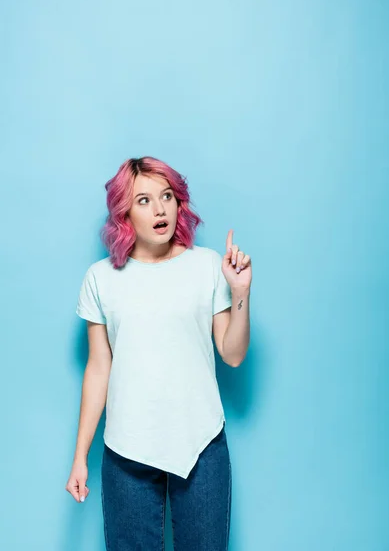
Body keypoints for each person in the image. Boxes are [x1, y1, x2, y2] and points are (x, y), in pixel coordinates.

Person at [65, 156, 252, 550]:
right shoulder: (101, 279)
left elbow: (232, 355)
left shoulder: (205, 267)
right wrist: (80, 455)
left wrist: (240, 294)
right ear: (124, 214)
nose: (160, 208)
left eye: (166, 196)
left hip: (201, 445)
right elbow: (99, 369)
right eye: (144, 200)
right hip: (127, 449)